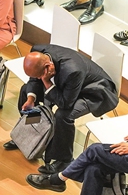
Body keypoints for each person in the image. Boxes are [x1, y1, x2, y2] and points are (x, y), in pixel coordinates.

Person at [7, 45, 119, 173]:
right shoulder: (38, 51)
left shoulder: (73, 71)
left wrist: (47, 82)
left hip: (94, 91)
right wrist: (31, 99)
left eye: (40, 76)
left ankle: (64, 160)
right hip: (69, 85)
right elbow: (34, 79)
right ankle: (28, 137)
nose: (38, 78)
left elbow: (65, 103)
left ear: (48, 67)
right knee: (26, 90)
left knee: (63, 115)